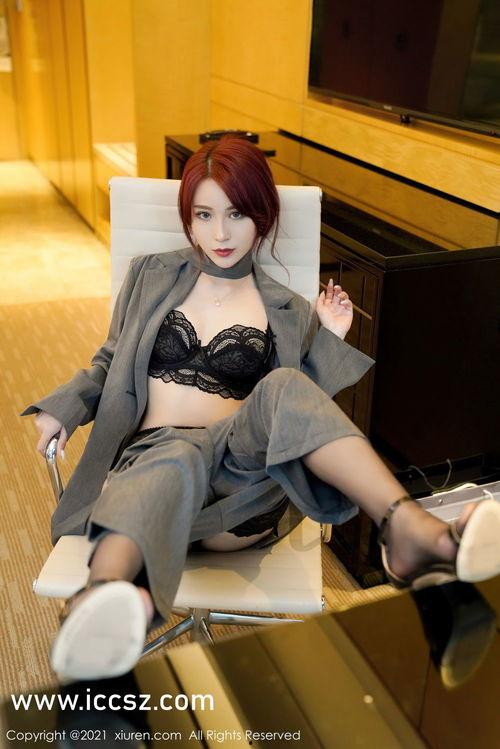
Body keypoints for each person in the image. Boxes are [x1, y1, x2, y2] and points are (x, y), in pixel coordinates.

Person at [22, 135, 500, 681]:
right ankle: (102, 599)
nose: (220, 234)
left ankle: (410, 528)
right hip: (153, 467)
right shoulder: (151, 274)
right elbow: (111, 359)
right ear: (188, 218)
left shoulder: (287, 310)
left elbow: (299, 418)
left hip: (240, 485)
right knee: (175, 455)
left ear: (262, 215)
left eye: (237, 214)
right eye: (204, 215)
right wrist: (64, 406)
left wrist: (329, 338)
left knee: (282, 386)